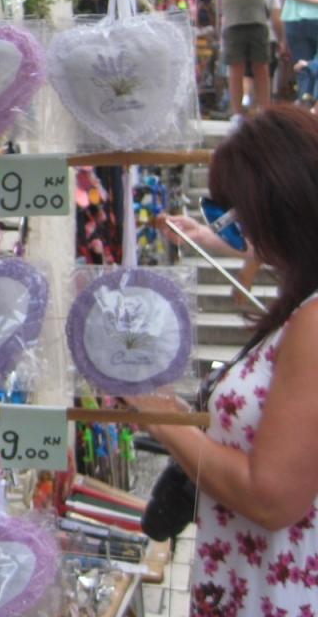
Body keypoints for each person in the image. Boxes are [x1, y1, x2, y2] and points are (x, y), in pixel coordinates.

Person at [134, 107, 318, 616]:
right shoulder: (302, 307)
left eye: (237, 218)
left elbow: (270, 496)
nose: (239, 235)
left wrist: (160, 417)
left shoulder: (313, 321)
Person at [206, 0, 282, 124]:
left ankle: (264, 110)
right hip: (234, 22)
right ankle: (238, 112)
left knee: (261, 67)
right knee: (236, 68)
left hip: (257, 20)